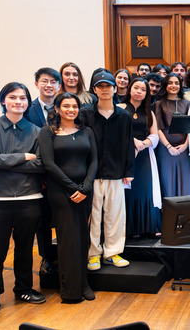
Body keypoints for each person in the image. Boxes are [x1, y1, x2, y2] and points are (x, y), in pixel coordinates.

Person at [0, 83, 46, 321]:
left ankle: (24, 290)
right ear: (3, 101)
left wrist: (4, 161)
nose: (18, 101)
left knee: (25, 249)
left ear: (28, 102)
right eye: (12, 97)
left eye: (22, 98)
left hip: (29, 198)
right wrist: (22, 158)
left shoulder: (38, 131)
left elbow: (40, 164)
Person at [38, 93, 98, 302]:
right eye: (66, 106)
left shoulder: (87, 131)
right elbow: (49, 164)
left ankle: (84, 283)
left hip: (84, 193)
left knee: (82, 238)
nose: (71, 109)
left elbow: (93, 162)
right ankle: (70, 290)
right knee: (68, 240)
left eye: (74, 106)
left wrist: (85, 187)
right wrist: (73, 187)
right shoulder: (48, 132)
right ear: (57, 108)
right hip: (61, 193)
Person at [80, 71, 135, 271]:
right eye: (100, 86)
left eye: (108, 86)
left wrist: (129, 171)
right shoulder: (85, 114)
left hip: (117, 173)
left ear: (114, 88)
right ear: (94, 90)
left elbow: (129, 145)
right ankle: (93, 254)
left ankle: (112, 252)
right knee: (93, 216)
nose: (104, 89)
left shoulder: (124, 116)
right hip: (91, 173)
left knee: (115, 214)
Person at [25, 67, 61, 277]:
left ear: (58, 86)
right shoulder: (27, 110)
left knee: (64, 219)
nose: (49, 85)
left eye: (53, 82)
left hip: (63, 173)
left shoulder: (66, 108)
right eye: (44, 81)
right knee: (43, 221)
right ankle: (47, 258)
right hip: (38, 175)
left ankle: (67, 255)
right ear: (37, 84)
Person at [117, 77, 161, 238]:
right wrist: (134, 142)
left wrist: (143, 144)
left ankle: (148, 226)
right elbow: (116, 132)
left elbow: (155, 135)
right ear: (129, 89)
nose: (139, 92)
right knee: (129, 191)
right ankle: (132, 228)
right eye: (136, 88)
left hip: (144, 157)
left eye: (143, 89)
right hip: (124, 156)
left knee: (145, 190)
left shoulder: (149, 112)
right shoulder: (119, 108)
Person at [153, 73, 190, 197]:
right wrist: (169, 146)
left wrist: (186, 145)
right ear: (165, 85)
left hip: (183, 149)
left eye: (176, 83)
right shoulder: (159, 104)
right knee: (167, 181)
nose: (173, 85)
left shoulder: (187, 103)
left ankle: (186, 214)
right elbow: (158, 128)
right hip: (165, 149)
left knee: (185, 182)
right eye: (170, 83)